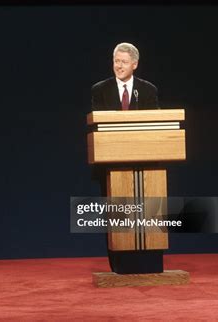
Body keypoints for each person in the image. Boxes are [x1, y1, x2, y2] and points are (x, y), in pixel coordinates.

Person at [91, 42, 162, 274]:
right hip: (111, 165)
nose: (118, 66)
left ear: (135, 64)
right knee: (117, 215)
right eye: (116, 61)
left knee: (148, 211)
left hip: (145, 166)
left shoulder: (148, 90)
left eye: (123, 62)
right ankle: (119, 266)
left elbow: (156, 127)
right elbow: (98, 127)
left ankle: (148, 264)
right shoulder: (100, 89)